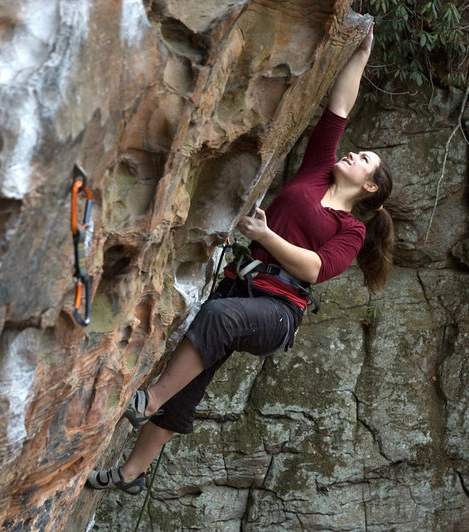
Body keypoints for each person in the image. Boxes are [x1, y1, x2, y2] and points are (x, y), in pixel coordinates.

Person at [86, 23, 394, 495]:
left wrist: (268, 237)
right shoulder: (316, 173)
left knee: (218, 317)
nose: (352, 153)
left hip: (279, 313)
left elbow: (315, 269)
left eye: (363, 159)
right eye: (356, 151)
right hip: (243, 285)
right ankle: (130, 474)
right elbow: (339, 109)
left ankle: (148, 401)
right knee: (197, 368)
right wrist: (361, 57)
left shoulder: (351, 230)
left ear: (368, 187)